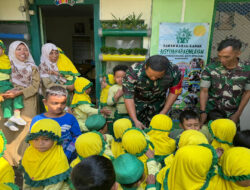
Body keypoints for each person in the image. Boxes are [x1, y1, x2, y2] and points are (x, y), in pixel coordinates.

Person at [0, 41, 40, 166]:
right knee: (8, 130)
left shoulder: (33, 68)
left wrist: (18, 93)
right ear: (12, 51)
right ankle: (8, 161)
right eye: (19, 49)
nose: (23, 52)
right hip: (7, 103)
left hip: (27, 103)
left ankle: (23, 160)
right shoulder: (6, 66)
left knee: (26, 131)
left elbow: (35, 87)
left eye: (25, 49)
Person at [200, 38, 250, 127]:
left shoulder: (247, 70)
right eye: (219, 56)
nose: (222, 60)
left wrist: (238, 114)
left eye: (226, 57)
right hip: (212, 113)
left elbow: (247, 93)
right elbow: (204, 91)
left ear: (238, 53)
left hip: (233, 114)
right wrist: (203, 112)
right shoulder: (210, 68)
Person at [123, 55, 182, 129]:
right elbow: (128, 96)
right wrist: (135, 120)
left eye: (158, 77)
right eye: (150, 75)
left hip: (159, 102)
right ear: (146, 66)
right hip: (137, 103)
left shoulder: (174, 71)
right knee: (135, 128)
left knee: (157, 128)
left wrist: (163, 112)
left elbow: (174, 92)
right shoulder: (133, 71)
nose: (153, 78)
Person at [30, 86, 81, 161]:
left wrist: (69, 151)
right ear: (45, 102)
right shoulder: (37, 120)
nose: (59, 106)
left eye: (63, 103)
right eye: (55, 103)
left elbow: (77, 136)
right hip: (45, 158)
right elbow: (33, 139)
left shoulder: (70, 118)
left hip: (67, 159)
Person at [21, 119, 71, 189]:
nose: (40, 143)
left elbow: (54, 186)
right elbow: (26, 181)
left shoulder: (58, 159)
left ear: (55, 139)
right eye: (36, 139)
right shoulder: (29, 154)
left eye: (46, 139)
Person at [0, 40, 26, 131]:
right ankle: (13, 117)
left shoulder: (7, 60)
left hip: (7, 83)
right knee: (9, 96)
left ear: (3, 49)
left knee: (15, 94)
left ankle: (12, 118)